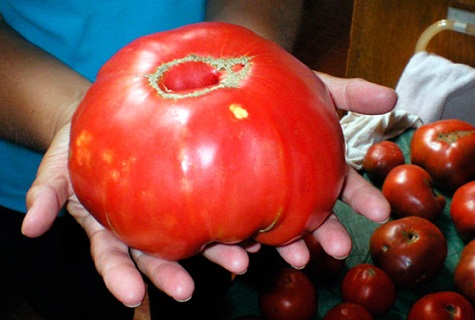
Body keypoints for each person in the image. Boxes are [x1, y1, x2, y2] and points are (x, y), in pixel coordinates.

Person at [0, 0, 397, 319]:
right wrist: (70, 118)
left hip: (255, 175)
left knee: (206, 296)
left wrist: (264, 73)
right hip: (46, 178)